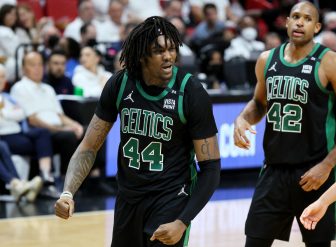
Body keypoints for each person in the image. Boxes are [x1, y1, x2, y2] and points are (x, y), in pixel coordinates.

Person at [55, 16, 221, 247]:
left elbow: (211, 167)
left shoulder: (190, 92)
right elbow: (88, 146)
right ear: (142, 55)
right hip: (128, 199)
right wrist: (67, 193)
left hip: (171, 198)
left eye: (172, 49)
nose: (168, 56)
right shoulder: (120, 84)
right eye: (158, 51)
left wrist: (183, 221)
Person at [233, 2, 336, 247]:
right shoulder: (267, 60)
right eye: (295, 17)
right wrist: (242, 118)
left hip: (315, 173)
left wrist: (328, 164)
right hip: (273, 172)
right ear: (286, 22)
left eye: (307, 19)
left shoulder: (332, 63)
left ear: (317, 27)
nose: (299, 22)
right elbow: (258, 103)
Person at [10, 51, 84, 176]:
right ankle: (66, 180)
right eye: (33, 65)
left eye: (40, 64)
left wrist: (75, 125)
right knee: (68, 137)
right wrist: (60, 129)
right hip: (40, 132)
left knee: (89, 132)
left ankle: (90, 178)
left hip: (57, 128)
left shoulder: (48, 88)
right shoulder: (19, 88)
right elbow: (32, 120)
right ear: (24, 68)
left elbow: (60, 115)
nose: (37, 68)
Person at [0, 63, 60, 198]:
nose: (2, 80)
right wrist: (10, 113)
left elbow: (21, 113)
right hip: (4, 136)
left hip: (18, 133)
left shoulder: (7, 97)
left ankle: (46, 176)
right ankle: (19, 184)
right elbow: (14, 114)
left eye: (3, 76)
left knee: (43, 133)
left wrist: (5, 113)